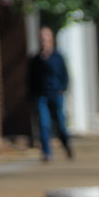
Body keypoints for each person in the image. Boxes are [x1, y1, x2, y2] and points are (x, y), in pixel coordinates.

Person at [28, 26, 73, 162]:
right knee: (44, 124)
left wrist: (62, 89)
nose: (44, 42)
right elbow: (30, 79)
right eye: (41, 39)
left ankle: (66, 144)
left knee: (60, 123)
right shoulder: (36, 60)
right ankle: (46, 152)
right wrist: (31, 95)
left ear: (51, 40)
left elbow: (65, 75)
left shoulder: (58, 58)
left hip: (56, 95)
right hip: (41, 96)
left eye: (46, 39)